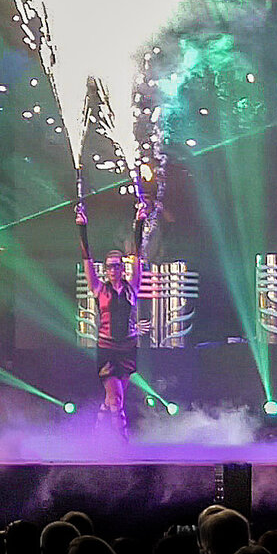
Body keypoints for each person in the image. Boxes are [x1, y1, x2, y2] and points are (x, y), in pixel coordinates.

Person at [75, 185, 153, 439]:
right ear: (106, 269)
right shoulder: (98, 288)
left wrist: (139, 222)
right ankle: (122, 446)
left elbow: (139, 256)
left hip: (128, 347)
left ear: (122, 268)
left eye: (118, 265)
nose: (114, 269)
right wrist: (82, 228)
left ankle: (97, 434)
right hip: (108, 348)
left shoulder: (132, 287)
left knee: (113, 398)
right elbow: (87, 258)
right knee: (116, 398)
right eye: (110, 266)